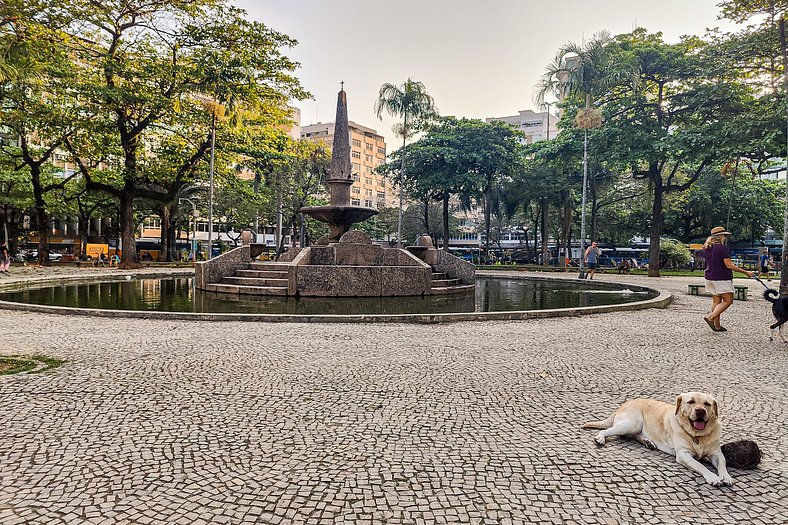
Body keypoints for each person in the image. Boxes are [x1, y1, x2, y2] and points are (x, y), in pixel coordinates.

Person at [702, 226, 753, 332]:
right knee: (728, 301)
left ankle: (717, 326)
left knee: (716, 301)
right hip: (722, 278)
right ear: (721, 237)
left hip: (709, 277)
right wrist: (746, 272)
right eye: (725, 236)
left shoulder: (706, 247)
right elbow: (729, 265)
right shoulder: (723, 248)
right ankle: (711, 317)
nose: (725, 238)